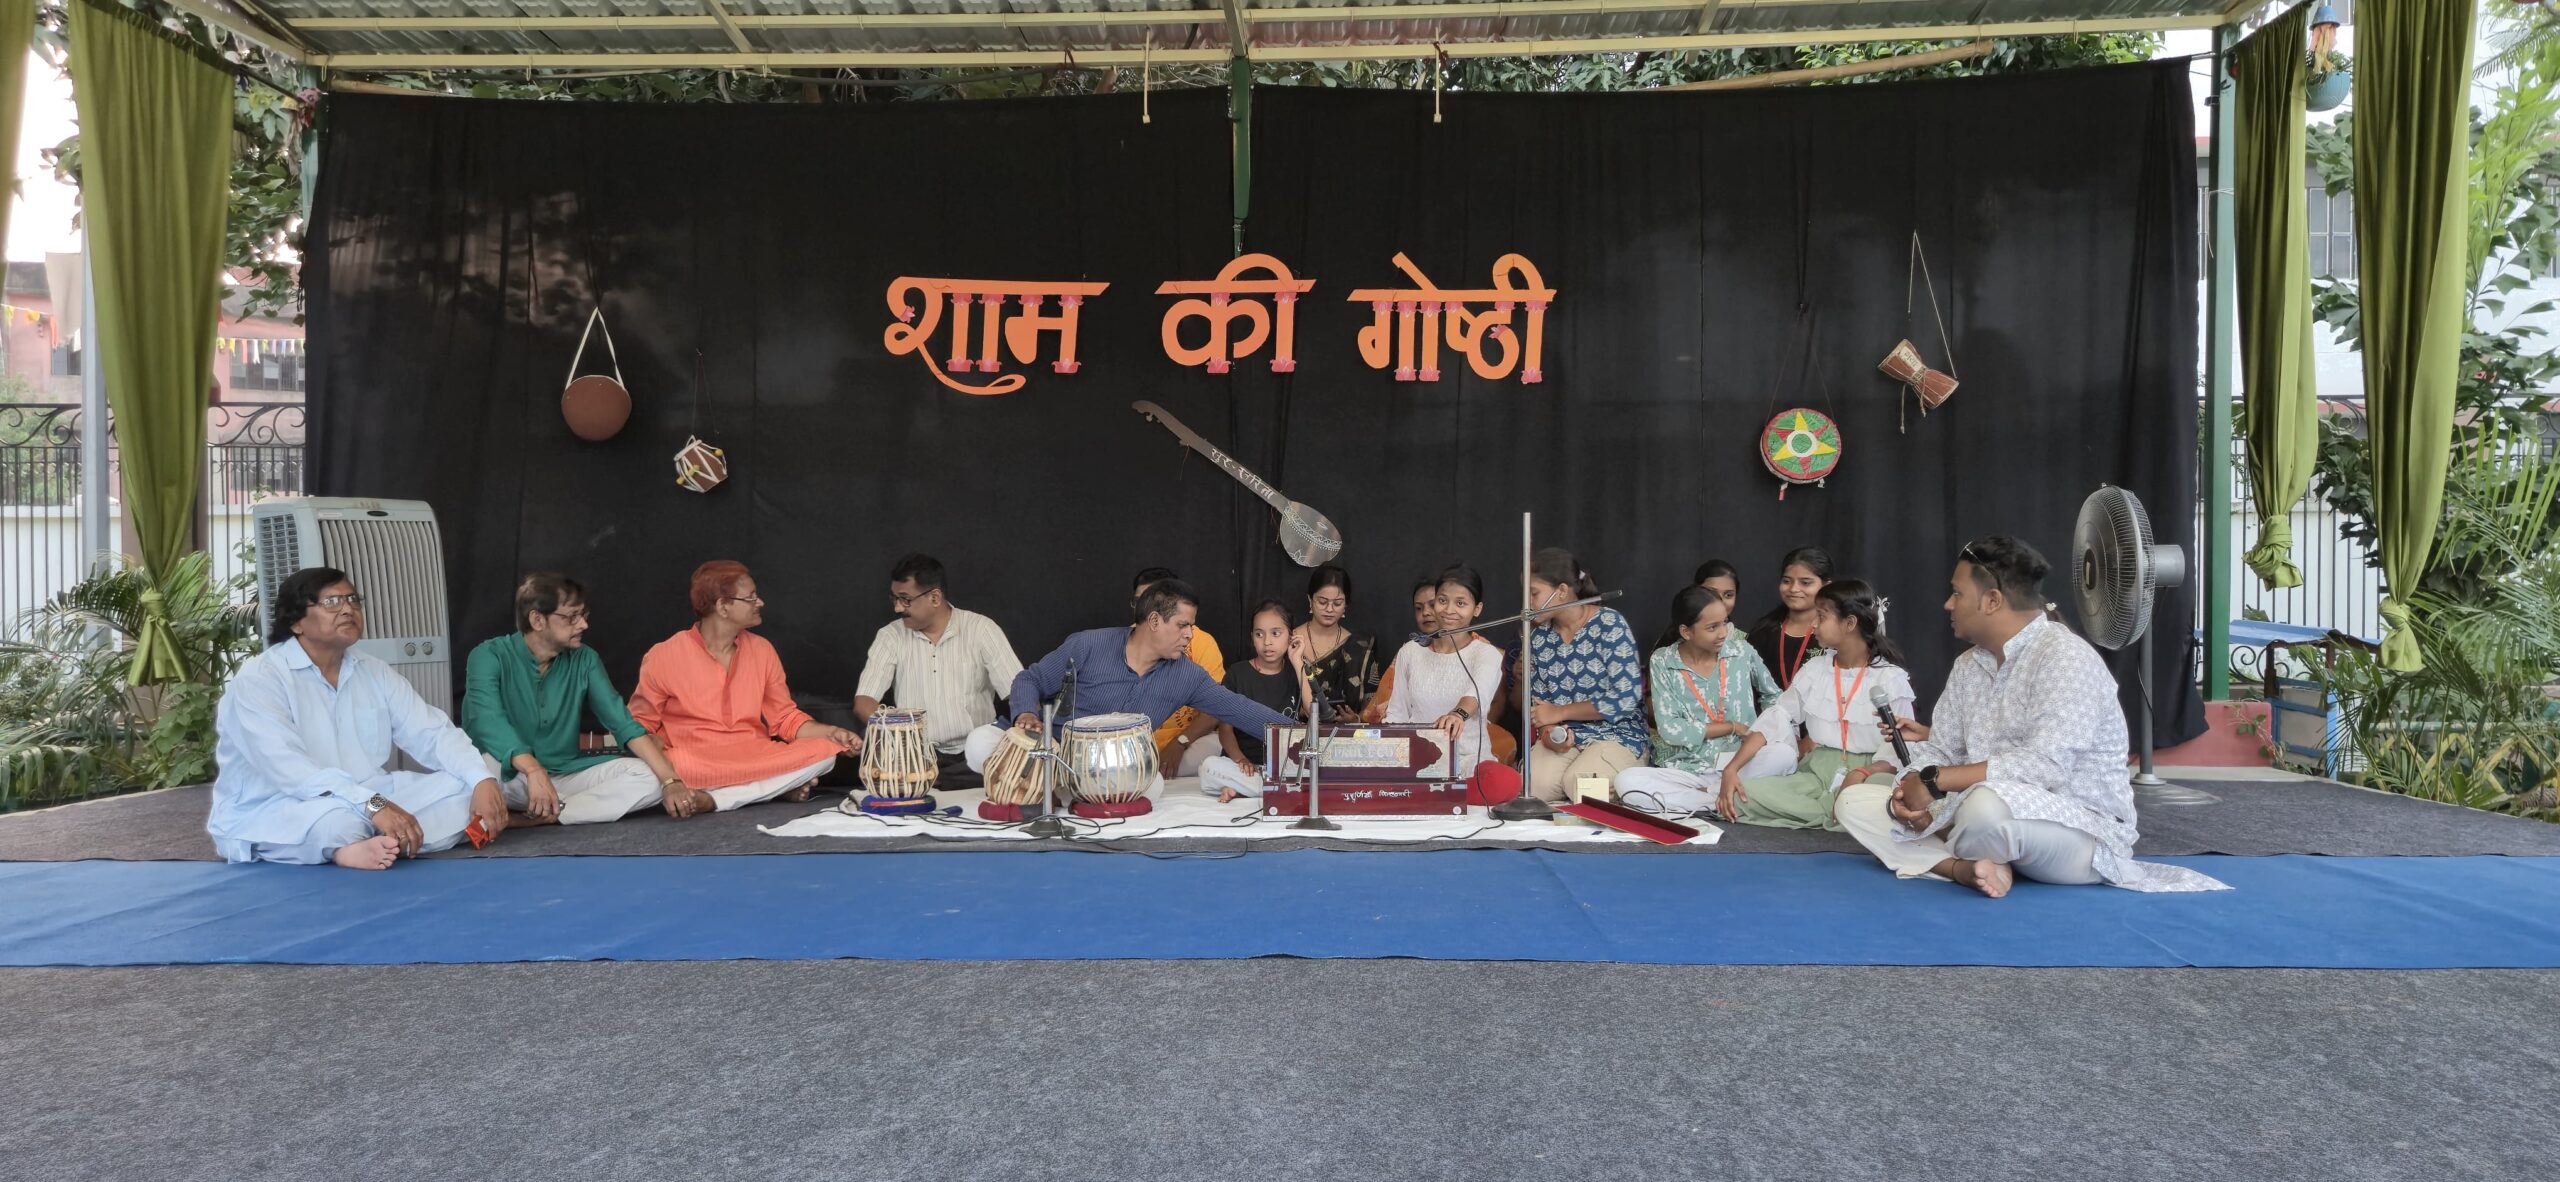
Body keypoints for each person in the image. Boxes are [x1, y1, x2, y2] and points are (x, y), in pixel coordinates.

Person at [1833, 537, 2229, 896]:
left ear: (1992, 601)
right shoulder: (1968, 666)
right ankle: (1963, 868)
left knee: (1983, 809)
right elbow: (1942, 751)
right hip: (1977, 814)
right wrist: (1909, 794)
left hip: (2076, 833)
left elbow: (2046, 767)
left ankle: (1953, 847)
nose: (1948, 604)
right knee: (1853, 802)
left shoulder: (2065, 657)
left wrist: (1935, 784)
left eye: (1956, 593)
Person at [206, 567, 507, 868]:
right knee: (338, 824)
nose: (348, 609)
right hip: (285, 804)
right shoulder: (260, 679)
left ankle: (375, 842)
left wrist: (480, 779)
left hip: (370, 794)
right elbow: (292, 771)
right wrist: (374, 805)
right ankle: (357, 844)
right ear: (296, 622)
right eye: (331, 602)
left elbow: (432, 732)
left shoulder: (374, 670)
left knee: (471, 785)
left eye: (353, 600)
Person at [963, 578, 1307, 800]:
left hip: (1105, 768)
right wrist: (1025, 713)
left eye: (1191, 626)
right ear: (1154, 621)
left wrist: (1308, 738)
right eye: (1183, 625)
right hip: (1050, 750)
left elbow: (1239, 708)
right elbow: (1030, 679)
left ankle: (1059, 793)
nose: (1190, 635)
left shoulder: (1186, 675)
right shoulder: (1088, 645)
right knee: (979, 743)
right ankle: (1053, 787)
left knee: (1152, 786)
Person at [462, 573, 694, 826]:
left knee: (649, 777)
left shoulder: (585, 659)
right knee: (482, 767)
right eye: (572, 616)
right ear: (537, 620)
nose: (583, 625)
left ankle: (543, 817)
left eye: (584, 615)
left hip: (564, 773)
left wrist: (671, 781)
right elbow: (489, 722)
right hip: (510, 775)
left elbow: (622, 723)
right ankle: (567, 808)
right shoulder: (488, 655)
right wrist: (532, 769)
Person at [628, 561, 859, 814]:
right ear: (722, 607)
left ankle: (714, 800)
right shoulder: (664, 655)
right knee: (648, 769)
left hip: (754, 757)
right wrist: (665, 768)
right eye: (750, 598)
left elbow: (785, 718)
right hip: (695, 761)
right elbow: (639, 726)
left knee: (825, 753)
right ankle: (770, 789)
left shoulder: (762, 650)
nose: (760, 603)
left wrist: (831, 732)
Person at [1714, 580, 1916, 829]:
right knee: (1740, 796)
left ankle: (1836, 813)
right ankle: (1837, 817)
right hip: (1816, 774)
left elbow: (1898, 751)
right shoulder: (1816, 669)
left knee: (1884, 793)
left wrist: (1860, 773)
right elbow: (1777, 716)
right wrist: (1732, 769)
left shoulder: (1889, 678)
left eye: (1821, 616)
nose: (1813, 624)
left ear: (1849, 623)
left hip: (1869, 775)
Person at [1616, 585, 1789, 816]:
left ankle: (1711, 796)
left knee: (1784, 755)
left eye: (1724, 623)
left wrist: (1764, 731)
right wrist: (1731, 726)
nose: (1723, 633)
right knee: (1627, 781)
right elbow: (1671, 730)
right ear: (1686, 632)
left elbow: (1774, 697)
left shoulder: (1741, 651)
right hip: (1688, 769)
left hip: (1740, 762)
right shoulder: (1663, 660)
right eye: (1712, 627)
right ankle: (1720, 800)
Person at [852, 553, 1025, 766]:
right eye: (894, 599)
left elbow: (1020, 691)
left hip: (976, 756)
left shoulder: (981, 629)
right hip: (913, 757)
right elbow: (864, 702)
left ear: (935, 597)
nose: (897, 608)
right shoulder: (890, 636)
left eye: (905, 599)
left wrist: (1027, 721)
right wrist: (898, 735)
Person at [1521, 547, 1648, 801]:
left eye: (1533, 594)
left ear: (1562, 591)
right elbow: (1541, 708)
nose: (1528, 604)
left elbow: (1625, 698)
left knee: (1582, 786)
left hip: (1619, 735)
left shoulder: (1609, 624)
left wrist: (1561, 712)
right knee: (1531, 786)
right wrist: (1549, 734)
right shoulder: (1538, 638)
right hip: (1567, 737)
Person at [1380, 564, 1509, 777]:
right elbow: (1397, 713)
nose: (1449, 610)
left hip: (1469, 763)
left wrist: (1457, 714)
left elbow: (1477, 694)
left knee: (1501, 780)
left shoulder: (1487, 654)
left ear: (1477, 609)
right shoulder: (1410, 652)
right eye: (1442, 601)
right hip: (1417, 763)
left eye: (1460, 603)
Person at [1199, 601, 1311, 802]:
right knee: (1209, 767)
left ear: (1291, 636)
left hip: (1286, 765)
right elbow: (1225, 730)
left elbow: (1312, 712)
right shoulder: (1237, 673)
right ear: (1252, 637)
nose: (1267, 642)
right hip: (1245, 765)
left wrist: (1297, 662)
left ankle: (1245, 788)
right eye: (1259, 634)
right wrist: (1240, 759)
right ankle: (1269, 788)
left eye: (1276, 633)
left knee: (1315, 769)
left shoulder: (1297, 670)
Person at [1132, 566, 1226, 777]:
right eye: (1139, 601)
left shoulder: (1201, 642)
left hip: (1188, 743)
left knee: (1214, 748)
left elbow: (1217, 708)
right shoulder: (1125, 641)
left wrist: (1180, 743)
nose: (1143, 610)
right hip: (1137, 745)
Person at [1295, 564, 1382, 722]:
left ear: (1346, 605)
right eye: (1322, 602)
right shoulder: (1291, 641)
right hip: (1293, 732)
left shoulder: (1359, 648)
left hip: (1346, 735)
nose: (1329, 609)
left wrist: (1356, 719)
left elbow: (1373, 705)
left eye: (1337, 603)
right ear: (1310, 600)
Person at [1747, 546, 1834, 696]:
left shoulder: (1835, 635)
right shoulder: (1763, 632)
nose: (1793, 589)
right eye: (1787, 581)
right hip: (1769, 710)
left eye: (1805, 582)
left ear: (1826, 586)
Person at [1362, 574, 1443, 725]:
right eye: (1418, 608)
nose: (1425, 612)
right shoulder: (1409, 651)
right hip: (1417, 734)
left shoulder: (1478, 649)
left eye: (1432, 605)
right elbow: (1397, 710)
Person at [1650, 559, 1745, 655]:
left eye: (1728, 595)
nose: (1719, 601)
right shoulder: (1670, 642)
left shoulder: (1744, 643)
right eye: (1711, 593)